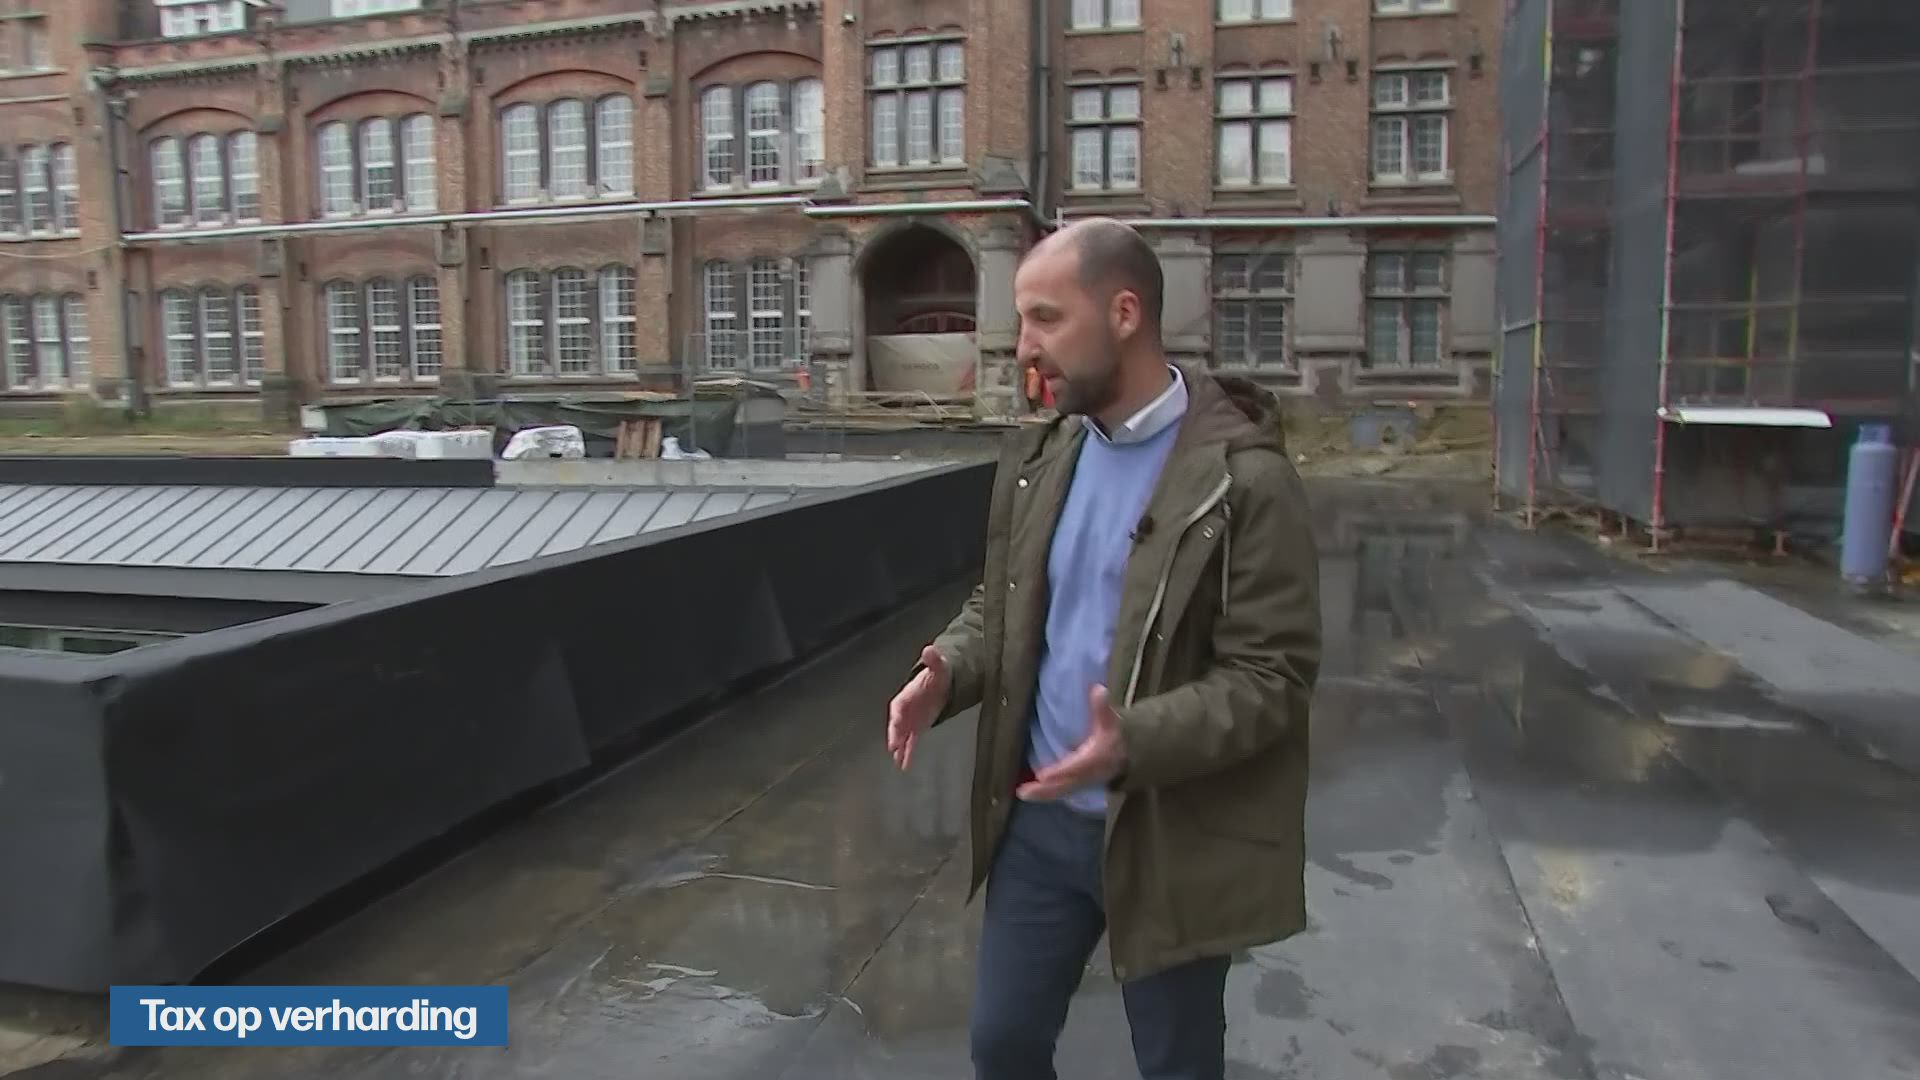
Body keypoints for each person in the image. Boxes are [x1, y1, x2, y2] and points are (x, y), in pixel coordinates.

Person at [885, 218, 1322, 1080]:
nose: (1024, 348)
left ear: (1125, 314)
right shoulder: (1044, 456)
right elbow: (1004, 599)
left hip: (1168, 831)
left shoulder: (1248, 480)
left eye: (1047, 319)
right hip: (1038, 822)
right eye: (1022, 322)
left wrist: (1134, 743)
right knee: (1003, 1045)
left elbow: (1272, 678)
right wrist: (949, 670)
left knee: (1176, 1063)